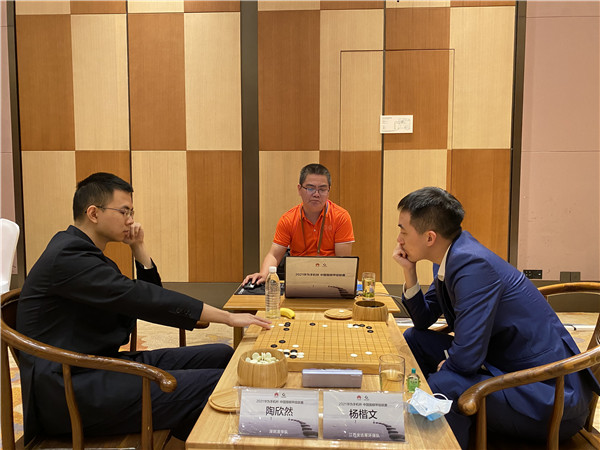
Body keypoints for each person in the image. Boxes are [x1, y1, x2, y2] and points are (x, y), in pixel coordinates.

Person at [16, 172, 271, 445]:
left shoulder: (83, 253)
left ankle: (189, 437)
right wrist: (227, 317)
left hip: (96, 366)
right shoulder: (68, 257)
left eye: (131, 212)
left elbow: (144, 298)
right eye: (124, 211)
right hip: (69, 391)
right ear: (93, 213)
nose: (131, 220)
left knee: (221, 354)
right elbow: (141, 297)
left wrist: (138, 247)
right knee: (217, 383)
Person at [392, 186, 599, 448]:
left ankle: (440, 438)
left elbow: (466, 359)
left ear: (430, 237)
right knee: (415, 338)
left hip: (547, 395)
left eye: (403, 231)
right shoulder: (450, 255)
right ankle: (431, 423)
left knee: (447, 383)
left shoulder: (472, 265)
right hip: (503, 365)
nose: (399, 239)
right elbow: (423, 322)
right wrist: (409, 273)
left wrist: (443, 373)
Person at [243, 163, 355, 285]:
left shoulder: (341, 217)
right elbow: (274, 255)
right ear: (299, 189)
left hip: (329, 279)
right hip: (298, 280)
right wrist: (264, 274)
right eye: (310, 188)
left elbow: (342, 262)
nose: (316, 194)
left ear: (328, 191)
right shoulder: (288, 219)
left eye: (322, 189)